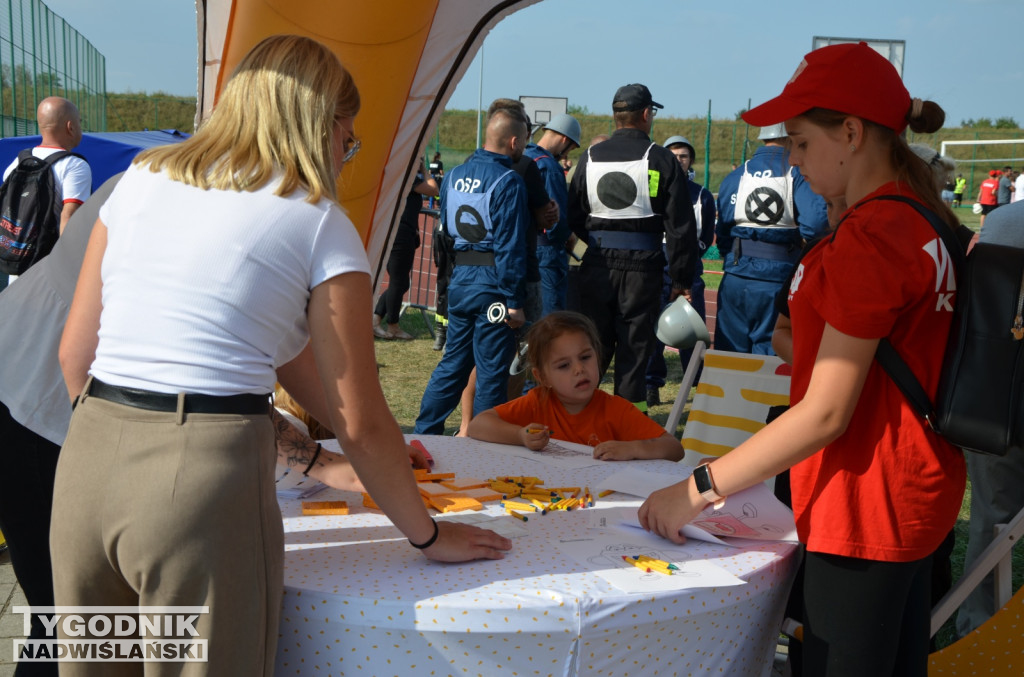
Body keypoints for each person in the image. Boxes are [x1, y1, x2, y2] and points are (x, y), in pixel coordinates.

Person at [53, 35, 511, 677]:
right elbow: (361, 421)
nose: (344, 156)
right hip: (200, 481)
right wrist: (429, 534)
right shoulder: (316, 220)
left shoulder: (141, 178)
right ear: (318, 125)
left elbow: (76, 356)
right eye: (346, 139)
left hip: (85, 464)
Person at [639, 42, 966, 676]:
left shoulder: (871, 238)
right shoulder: (919, 218)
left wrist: (698, 490)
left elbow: (825, 413)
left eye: (799, 144)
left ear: (850, 132)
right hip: (910, 494)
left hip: (863, 505)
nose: (791, 160)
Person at [568, 83, 698, 411]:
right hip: (644, 268)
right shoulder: (662, 158)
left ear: (616, 117)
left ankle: (580, 419)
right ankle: (627, 427)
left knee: (592, 348)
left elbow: (574, 214)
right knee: (635, 352)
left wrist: (598, 243)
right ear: (645, 114)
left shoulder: (590, 156)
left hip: (596, 264)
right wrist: (681, 280)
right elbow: (680, 227)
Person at [413, 103, 530, 435]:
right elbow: (510, 246)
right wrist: (514, 301)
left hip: (462, 280)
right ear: (512, 142)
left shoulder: (452, 176)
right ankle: (484, 444)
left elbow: (447, 232)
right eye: (522, 141)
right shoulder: (509, 181)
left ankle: (425, 432)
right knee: (492, 370)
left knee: (454, 363)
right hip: (493, 284)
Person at [467, 311, 681, 461]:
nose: (579, 369)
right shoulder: (537, 402)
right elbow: (478, 425)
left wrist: (632, 448)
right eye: (564, 365)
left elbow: (674, 448)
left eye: (585, 357)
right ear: (542, 377)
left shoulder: (615, 409)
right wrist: (520, 435)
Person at [956, 198, 1024, 637]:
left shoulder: (1004, 219)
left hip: (999, 393)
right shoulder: (1006, 220)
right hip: (1003, 393)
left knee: (991, 515)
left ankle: (975, 626)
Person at [714, 122, 829, 355]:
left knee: (730, 356)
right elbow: (816, 225)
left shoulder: (736, 175)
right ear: (790, 138)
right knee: (769, 359)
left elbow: (723, 230)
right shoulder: (796, 173)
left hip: (735, 277)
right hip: (777, 280)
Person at [646, 135, 717, 406]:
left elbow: (706, 234)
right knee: (654, 334)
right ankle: (651, 384)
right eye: (673, 155)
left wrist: (684, 259)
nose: (678, 160)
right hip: (656, 271)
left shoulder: (702, 195)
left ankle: (698, 384)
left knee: (692, 332)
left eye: (684, 156)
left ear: (691, 161)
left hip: (688, 272)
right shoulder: (653, 189)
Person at [1, 96, 91, 290]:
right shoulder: (74, 165)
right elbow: (69, 216)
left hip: (18, 263)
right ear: (71, 127)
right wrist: (73, 265)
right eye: (79, 122)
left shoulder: (18, 163)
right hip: (49, 269)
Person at [373, 159, 439, 340]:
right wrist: (424, 170)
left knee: (401, 282)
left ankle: (376, 317)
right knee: (398, 281)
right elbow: (434, 189)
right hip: (400, 234)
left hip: (401, 232)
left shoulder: (400, 177)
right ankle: (392, 325)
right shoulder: (406, 178)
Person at [524, 113, 581, 316]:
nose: (566, 155)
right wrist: (568, 237)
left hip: (519, 247)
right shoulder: (549, 167)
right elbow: (557, 220)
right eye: (570, 149)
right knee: (551, 318)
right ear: (565, 140)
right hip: (546, 252)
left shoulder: (521, 156)